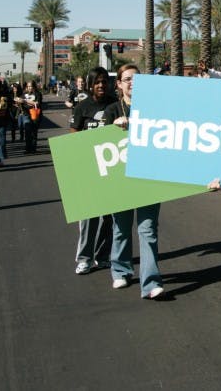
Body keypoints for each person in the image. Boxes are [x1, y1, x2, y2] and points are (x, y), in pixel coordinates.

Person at [103, 64, 164, 299]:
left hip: (148, 178)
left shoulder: (154, 109)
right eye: (127, 79)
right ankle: (120, 270)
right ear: (119, 84)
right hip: (121, 180)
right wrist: (113, 128)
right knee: (121, 228)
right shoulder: (111, 110)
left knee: (148, 230)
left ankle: (150, 283)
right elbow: (98, 144)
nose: (132, 83)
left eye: (136, 79)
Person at [70, 67, 117, 275]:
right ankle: (85, 258)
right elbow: (74, 135)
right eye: (97, 82)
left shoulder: (116, 104)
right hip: (89, 168)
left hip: (112, 168)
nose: (101, 85)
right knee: (88, 217)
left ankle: (103, 256)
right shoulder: (82, 107)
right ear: (90, 84)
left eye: (104, 81)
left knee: (110, 217)